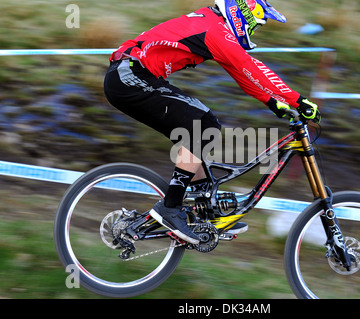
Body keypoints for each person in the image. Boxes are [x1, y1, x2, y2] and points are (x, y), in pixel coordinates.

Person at [103, 0, 321, 244]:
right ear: (243, 16)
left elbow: (241, 73)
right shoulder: (215, 30)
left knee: (197, 131)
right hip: (130, 76)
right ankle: (170, 207)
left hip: (130, 77)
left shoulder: (214, 26)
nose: (253, 32)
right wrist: (297, 100)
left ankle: (203, 211)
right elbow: (250, 66)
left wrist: (272, 103)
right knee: (205, 126)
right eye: (255, 25)